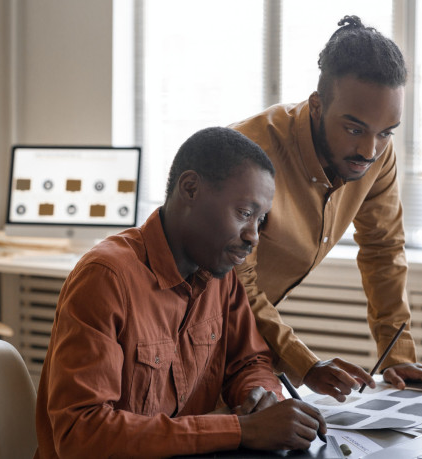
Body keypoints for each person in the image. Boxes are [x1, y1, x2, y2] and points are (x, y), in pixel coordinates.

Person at [35, 127, 327, 458]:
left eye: (260, 220)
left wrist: (261, 398)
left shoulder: (219, 271)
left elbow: (249, 361)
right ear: (190, 189)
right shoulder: (106, 279)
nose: (254, 236)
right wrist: (239, 429)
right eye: (245, 214)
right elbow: (81, 435)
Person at [231, 15, 422, 402]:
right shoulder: (249, 153)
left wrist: (397, 355)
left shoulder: (378, 153)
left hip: (243, 335)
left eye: (385, 132)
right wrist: (305, 363)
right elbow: (233, 282)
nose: (369, 150)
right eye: (354, 128)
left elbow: (383, 250)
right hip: (180, 327)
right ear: (316, 106)